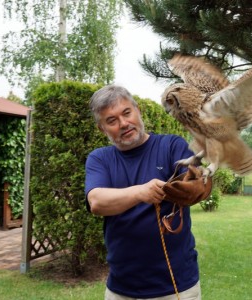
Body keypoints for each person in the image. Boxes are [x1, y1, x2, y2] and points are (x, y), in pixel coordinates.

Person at [85, 85, 201, 300]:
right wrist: (141, 192)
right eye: (111, 120)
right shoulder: (99, 159)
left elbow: (194, 184)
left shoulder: (171, 146)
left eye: (126, 113)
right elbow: (97, 202)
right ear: (102, 129)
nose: (123, 124)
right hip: (121, 289)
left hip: (177, 287)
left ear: (138, 110)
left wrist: (197, 181)